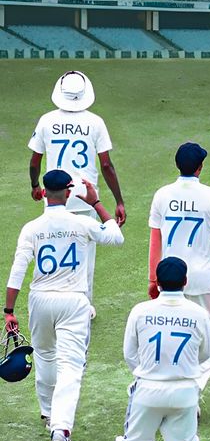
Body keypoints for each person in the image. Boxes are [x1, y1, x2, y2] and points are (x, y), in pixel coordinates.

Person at [4, 169, 124, 441]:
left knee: (44, 355)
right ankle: (61, 428)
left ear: (44, 193)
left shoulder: (32, 228)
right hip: (73, 301)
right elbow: (116, 237)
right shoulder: (82, 222)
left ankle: (48, 414)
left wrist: (8, 310)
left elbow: (18, 270)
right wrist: (96, 203)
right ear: (69, 193)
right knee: (70, 366)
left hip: (40, 299)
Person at [115, 256, 210, 441]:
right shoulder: (197, 314)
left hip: (147, 389)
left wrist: (147, 372)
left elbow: (129, 353)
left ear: (156, 282)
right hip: (184, 392)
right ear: (185, 282)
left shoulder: (140, 311)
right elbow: (205, 353)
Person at [27, 70, 126, 314]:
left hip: (54, 193)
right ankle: (84, 304)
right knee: (85, 250)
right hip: (85, 195)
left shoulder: (46, 120)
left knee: (53, 244)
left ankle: (52, 293)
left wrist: (35, 186)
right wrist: (119, 200)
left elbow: (34, 161)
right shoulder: (95, 122)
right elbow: (106, 165)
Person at [148, 142, 210, 392]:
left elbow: (155, 241)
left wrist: (153, 280)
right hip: (203, 279)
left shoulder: (162, 195)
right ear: (200, 168)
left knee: (171, 332)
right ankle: (192, 387)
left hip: (168, 277)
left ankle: (174, 384)